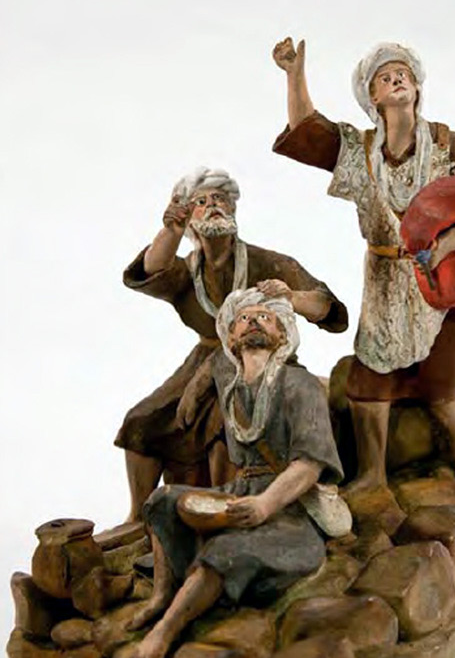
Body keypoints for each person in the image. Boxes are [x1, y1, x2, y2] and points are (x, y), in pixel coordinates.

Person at [272, 38, 455, 532]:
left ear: (417, 86)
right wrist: (294, 74)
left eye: (403, 74)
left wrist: (443, 245)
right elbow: (307, 131)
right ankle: (372, 472)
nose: (396, 79)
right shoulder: (361, 151)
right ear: (372, 96)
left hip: (438, 280)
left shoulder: (449, 146)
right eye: (384, 77)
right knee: (368, 379)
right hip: (382, 278)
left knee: (446, 376)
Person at [124, 287, 344, 658]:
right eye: (244, 318)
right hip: (239, 490)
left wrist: (265, 505)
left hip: (290, 510)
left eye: (266, 317)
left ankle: (165, 633)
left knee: (224, 551)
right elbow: (213, 362)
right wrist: (193, 391)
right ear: (231, 336)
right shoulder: (230, 382)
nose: (254, 321)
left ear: (282, 335)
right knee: (160, 501)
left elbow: (309, 465)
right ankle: (161, 595)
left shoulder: (300, 385)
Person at [115, 167, 347, 523]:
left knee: (225, 422)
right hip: (203, 357)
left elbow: (326, 308)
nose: (213, 206)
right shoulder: (187, 270)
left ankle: (230, 509)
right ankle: (137, 517)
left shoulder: (267, 262)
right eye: (201, 202)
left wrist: (291, 297)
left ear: (233, 207)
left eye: (220, 199)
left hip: (262, 359)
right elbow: (152, 270)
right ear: (189, 217)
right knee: (141, 421)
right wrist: (171, 232)